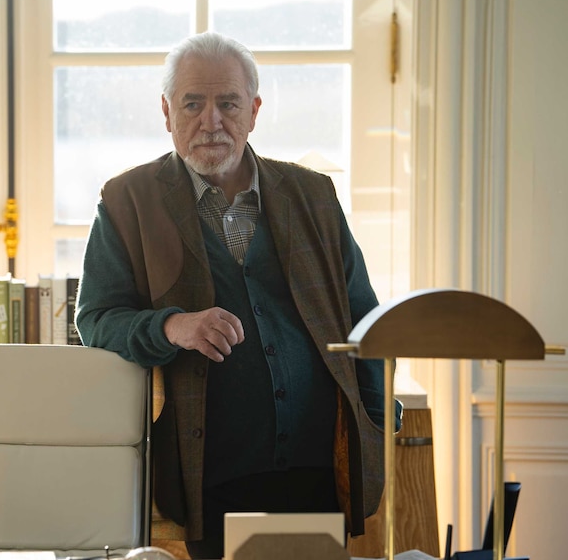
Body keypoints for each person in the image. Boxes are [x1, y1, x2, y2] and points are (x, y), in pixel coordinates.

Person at [75, 31, 402, 560]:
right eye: (193, 104)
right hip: (207, 471)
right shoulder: (126, 200)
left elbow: (365, 320)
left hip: (321, 466)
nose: (211, 121)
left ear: (253, 110)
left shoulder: (313, 195)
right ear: (166, 111)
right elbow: (96, 320)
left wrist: (375, 422)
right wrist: (171, 327)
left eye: (227, 103)